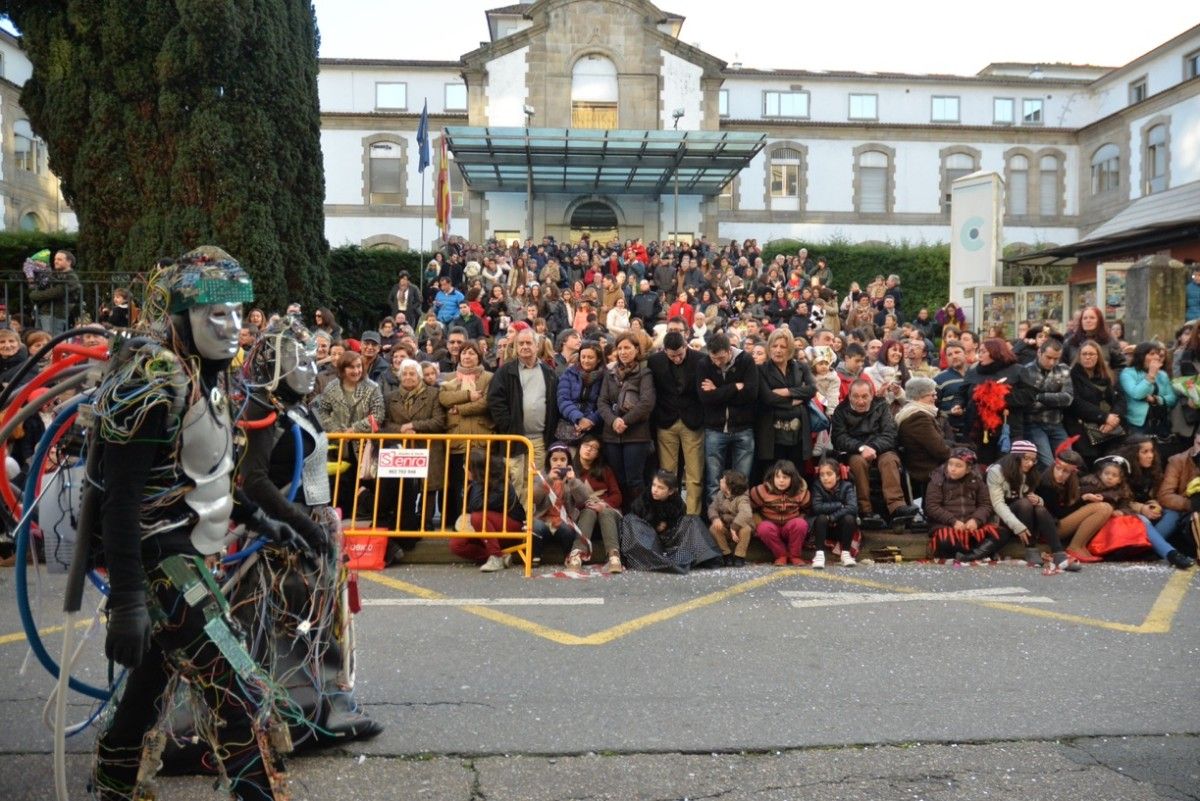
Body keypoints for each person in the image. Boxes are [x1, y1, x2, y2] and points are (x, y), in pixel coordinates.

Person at [90, 248, 295, 801]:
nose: (233, 328)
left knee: (148, 690)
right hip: (163, 559)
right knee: (242, 691)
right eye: (216, 316)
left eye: (238, 314)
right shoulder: (153, 382)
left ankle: (112, 786)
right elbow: (123, 500)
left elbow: (206, 478)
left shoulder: (209, 379)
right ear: (182, 318)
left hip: (192, 555)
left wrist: (261, 521)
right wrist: (130, 600)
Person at [235, 316, 382, 745]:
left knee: (316, 620)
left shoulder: (291, 403)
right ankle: (304, 710)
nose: (308, 364)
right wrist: (301, 524)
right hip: (285, 529)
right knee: (289, 622)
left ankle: (324, 702)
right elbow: (254, 481)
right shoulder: (261, 407)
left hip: (310, 520)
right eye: (296, 357)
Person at [966, 440, 1080, 574]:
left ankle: (1059, 554)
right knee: (1025, 504)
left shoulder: (1030, 472)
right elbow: (997, 504)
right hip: (1002, 517)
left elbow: (1030, 494)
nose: (1030, 463)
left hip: (1024, 515)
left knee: (1039, 508)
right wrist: (1017, 525)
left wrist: (1039, 500)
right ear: (1016, 457)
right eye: (1026, 458)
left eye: (1033, 460)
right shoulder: (996, 471)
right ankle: (1030, 548)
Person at [831, 378, 920, 529]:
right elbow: (839, 438)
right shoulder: (841, 410)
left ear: (872, 395)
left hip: (881, 448)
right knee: (858, 463)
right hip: (855, 450)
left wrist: (873, 447)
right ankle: (865, 510)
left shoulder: (881, 406)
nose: (860, 401)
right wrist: (861, 448)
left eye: (865, 396)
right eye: (856, 396)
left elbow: (890, 433)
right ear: (850, 395)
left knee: (889, 460)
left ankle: (897, 506)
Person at [487, 326, 559, 499]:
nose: (525, 346)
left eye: (529, 343)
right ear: (516, 346)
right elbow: (495, 401)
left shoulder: (549, 373)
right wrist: (508, 425)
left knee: (537, 484)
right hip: (515, 438)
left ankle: (532, 522)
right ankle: (516, 521)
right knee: (515, 482)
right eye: (521, 343)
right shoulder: (505, 371)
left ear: (537, 345)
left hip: (540, 440)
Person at [315, 350, 386, 517]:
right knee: (341, 485)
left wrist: (354, 429)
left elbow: (378, 414)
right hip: (339, 445)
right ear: (342, 370)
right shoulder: (332, 387)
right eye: (351, 367)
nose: (356, 371)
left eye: (359, 366)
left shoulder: (372, 388)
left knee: (365, 482)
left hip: (364, 446)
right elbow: (322, 411)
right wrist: (336, 430)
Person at [618, 470, 722, 573]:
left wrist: (667, 525)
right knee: (630, 519)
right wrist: (654, 523)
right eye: (654, 485)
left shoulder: (677, 503)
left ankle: (701, 558)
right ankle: (657, 561)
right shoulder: (644, 500)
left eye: (660, 487)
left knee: (692, 520)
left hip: (670, 540)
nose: (655, 490)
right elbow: (636, 524)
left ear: (671, 491)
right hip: (647, 541)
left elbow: (679, 524)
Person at [648, 331, 706, 514]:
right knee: (667, 475)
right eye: (672, 356)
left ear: (686, 345)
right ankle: (669, 515)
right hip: (666, 421)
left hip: (693, 421)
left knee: (695, 475)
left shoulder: (700, 360)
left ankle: (692, 518)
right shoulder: (655, 361)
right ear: (664, 351)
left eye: (681, 354)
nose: (677, 359)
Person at [698, 332, 760, 504]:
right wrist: (734, 387)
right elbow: (706, 398)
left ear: (729, 350)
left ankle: (739, 517)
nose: (717, 362)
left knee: (742, 480)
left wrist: (717, 390)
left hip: (743, 427)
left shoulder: (746, 360)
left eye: (721, 358)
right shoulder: (704, 364)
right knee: (713, 481)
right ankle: (714, 520)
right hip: (715, 429)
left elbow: (750, 394)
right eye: (714, 358)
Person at [597, 332, 656, 508]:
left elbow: (646, 402)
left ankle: (638, 519)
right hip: (612, 435)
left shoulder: (644, 373)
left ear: (636, 349)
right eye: (620, 348)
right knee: (618, 480)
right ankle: (620, 518)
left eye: (627, 348)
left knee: (635, 481)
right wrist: (614, 421)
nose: (623, 352)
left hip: (636, 435)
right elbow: (602, 401)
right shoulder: (610, 373)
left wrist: (625, 421)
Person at [438, 339, 494, 523]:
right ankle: (452, 521)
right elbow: (445, 398)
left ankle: (477, 521)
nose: (467, 356)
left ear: (479, 357)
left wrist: (460, 408)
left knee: (480, 483)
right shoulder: (448, 377)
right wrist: (468, 395)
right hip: (456, 439)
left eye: (471, 353)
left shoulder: (489, 377)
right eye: (464, 353)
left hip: (480, 438)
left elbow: (486, 402)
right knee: (455, 483)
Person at [755, 328, 816, 478]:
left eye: (783, 347)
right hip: (772, 432)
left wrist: (787, 391)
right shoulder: (761, 370)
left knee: (796, 473)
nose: (778, 350)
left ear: (790, 349)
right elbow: (767, 397)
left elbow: (812, 389)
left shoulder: (801, 367)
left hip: (798, 431)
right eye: (774, 346)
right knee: (774, 474)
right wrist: (795, 399)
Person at [1035, 446, 1113, 563]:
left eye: (1066, 471)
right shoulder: (1047, 484)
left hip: (1058, 524)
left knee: (1106, 507)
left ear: (1072, 472)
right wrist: (1083, 499)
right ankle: (1075, 547)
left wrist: (1085, 497)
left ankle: (1080, 546)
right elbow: (1060, 513)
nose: (1060, 474)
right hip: (1049, 531)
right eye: (1058, 468)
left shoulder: (1070, 481)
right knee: (1102, 508)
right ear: (1054, 465)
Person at [453, 449, 527, 572]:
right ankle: (499, 555)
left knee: (477, 517)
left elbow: (476, 506)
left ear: (475, 469)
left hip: (511, 526)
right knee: (456, 545)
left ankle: (496, 558)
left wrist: (476, 480)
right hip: (486, 529)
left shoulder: (500, 483)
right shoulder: (475, 483)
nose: (464, 469)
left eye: (466, 466)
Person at [923, 448, 997, 559]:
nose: (952, 469)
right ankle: (978, 552)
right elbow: (932, 507)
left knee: (1002, 534)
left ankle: (969, 555)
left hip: (971, 528)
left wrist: (976, 520)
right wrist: (953, 521)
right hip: (947, 526)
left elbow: (986, 504)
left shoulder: (977, 480)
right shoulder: (937, 479)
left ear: (968, 469)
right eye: (950, 464)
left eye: (958, 466)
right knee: (945, 541)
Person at [532, 442, 594, 567]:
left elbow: (583, 499)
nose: (558, 463)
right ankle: (535, 556)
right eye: (554, 459)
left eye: (562, 459)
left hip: (563, 520)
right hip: (543, 519)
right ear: (548, 461)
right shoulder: (541, 476)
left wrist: (573, 481)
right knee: (536, 527)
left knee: (567, 530)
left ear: (568, 462)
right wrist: (548, 480)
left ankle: (568, 555)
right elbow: (534, 498)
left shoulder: (572, 478)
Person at [1065, 339, 1127, 465]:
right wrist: (1104, 417)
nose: (1088, 357)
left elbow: (1120, 399)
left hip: (1110, 429)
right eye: (1084, 354)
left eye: (1091, 354)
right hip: (1083, 429)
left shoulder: (1108, 375)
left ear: (1098, 356)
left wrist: (1113, 419)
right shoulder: (1071, 375)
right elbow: (1075, 402)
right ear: (1079, 356)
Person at [1017, 338, 1073, 471]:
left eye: (1056, 358)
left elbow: (1068, 399)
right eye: (1048, 357)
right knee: (1047, 463)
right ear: (1039, 353)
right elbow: (1028, 404)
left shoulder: (1063, 369)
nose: (1052, 362)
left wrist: (1040, 396)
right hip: (1033, 424)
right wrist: (1055, 400)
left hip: (1056, 422)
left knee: (1068, 459)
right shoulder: (1026, 371)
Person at [572, 434, 624, 572]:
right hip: (583, 513)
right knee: (589, 512)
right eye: (586, 446)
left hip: (605, 511)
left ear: (598, 454)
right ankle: (576, 555)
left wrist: (603, 504)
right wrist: (586, 504)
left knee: (604, 511)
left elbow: (617, 496)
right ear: (580, 447)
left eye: (594, 448)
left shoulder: (605, 470)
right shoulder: (571, 470)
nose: (589, 449)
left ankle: (614, 556)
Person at [894, 376, 952, 500]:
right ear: (919, 396)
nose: (935, 398)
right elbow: (940, 450)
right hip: (926, 467)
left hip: (930, 462)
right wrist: (959, 454)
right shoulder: (918, 417)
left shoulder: (917, 413)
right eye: (932, 395)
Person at [749, 459, 811, 566]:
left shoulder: (801, 492)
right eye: (777, 477)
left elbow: (808, 509)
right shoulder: (761, 491)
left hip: (790, 527)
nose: (781, 481)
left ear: (793, 479)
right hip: (771, 526)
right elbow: (750, 508)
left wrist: (801, 518)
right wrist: (757, 521)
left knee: (800, 524)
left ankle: (795, 556)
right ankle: (781, 555)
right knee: (763, 528)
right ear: (773, 477)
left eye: (785, 477)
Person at [809, 458, 860, 568]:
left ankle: (846, 553)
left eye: (829, 474)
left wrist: (832, 517)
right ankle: (819, 554)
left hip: (841, 528)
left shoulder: (847, 486)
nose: (825, 478)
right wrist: (839, 505)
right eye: (822, 475)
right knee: (821, 518)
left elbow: (852, 507)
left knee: (849, 518)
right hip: (823, 529)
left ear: (837, 476)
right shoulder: (817, 486)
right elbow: (817, 507)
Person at [1120, 341, 1176, 435]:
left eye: (1158, 354)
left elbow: (1172, 398)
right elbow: (1136, 394)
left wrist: (1156, 399)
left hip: (1161, 423)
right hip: (1138, 425)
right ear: (1141, 356)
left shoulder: (1162, 375)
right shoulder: (1128, 373)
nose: (1156, 357)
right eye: (1152, 354)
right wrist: (1150, 376)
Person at [556, 340, 604, 444]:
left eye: (590, 357)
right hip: (570, 425)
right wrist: (578, 418)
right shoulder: (569, 374)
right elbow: (563, 399)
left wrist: (591, 420)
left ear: (598, 359)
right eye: (583, 357)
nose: (586, 360)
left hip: (595, 429)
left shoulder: (606, 377)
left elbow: (605, 403)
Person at [27, 248, 82, 334]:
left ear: (69, 262)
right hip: (43, 312)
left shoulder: (72, 277)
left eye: (59, 259)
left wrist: (34, 295)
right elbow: (41, 288)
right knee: (41, 341)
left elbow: (56, 292)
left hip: (55, 314)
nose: (56, 261)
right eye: (55, 259)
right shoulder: (53, 275)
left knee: (52, 342)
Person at [708, 469, 753, 567]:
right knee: (714, 528)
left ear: (729, 487)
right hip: (726, 527)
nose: (720, 481)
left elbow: (746, 513)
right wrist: (715, 518)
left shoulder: (742, 498)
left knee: (746, 529)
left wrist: (734, 527)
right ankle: (726, 554)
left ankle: (739, 556)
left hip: (738, 527)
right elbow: (712, 507)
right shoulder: (720, 494)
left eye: (723, 480)